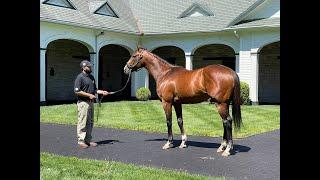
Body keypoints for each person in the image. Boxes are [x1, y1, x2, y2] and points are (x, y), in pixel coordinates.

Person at [74, 60, 108, 149]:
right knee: (82, 122)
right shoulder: (80, 77)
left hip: (91, 103)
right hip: (83, 103)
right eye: (88, 66)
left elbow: (95, 90)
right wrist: (89, 95)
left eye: (90, 66)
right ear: (83, 68)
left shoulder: (92, 77)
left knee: (90, 122)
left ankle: (88, 140)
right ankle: (81, 141)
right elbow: (77, 91)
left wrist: (102, 92)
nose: (90, 67)